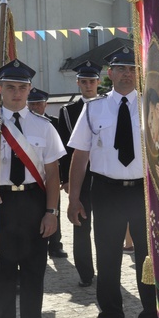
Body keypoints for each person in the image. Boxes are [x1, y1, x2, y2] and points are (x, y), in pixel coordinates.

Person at [66, 48, 159, 318]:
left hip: (144, 192)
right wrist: (73, 198)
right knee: (107, 260)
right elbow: (80, 156)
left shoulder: (151, 106)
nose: (126, 74)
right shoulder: (94, 109)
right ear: (110, 73)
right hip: (106, 191)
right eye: (120, 68)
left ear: (139, 73)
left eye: (132, 68)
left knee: (149, 259)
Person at [0, 59, 65, 318]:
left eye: (22, 88)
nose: (17, 94)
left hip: (33, 201)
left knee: (33, 271)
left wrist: (51, 212)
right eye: (10, 87)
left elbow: (52, 174)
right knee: (2, 274)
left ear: (29, 90)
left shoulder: (44, 128)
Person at [56, 61, 101, 286]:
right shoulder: (69, 111)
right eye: (84, 82)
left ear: (98, 82)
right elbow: (65, 149)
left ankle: (107, 269)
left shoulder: (107, 106)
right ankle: (85, 272)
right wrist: (65, 178)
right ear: (78, 83)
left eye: (92, 81)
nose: (88, 85)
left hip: (103, 174)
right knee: (81, 226)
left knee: (105, 226)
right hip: (80, 176)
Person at [28, 87, 68, 259]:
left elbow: (64, 152)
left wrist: (64, 178)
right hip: (32, 176)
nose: (35, 107)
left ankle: (55, 245)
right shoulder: (23, 124)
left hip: (51, 174)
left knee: (54, 210)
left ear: (45, 105)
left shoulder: (54, 123)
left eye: (38, 104)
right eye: (32, 104)